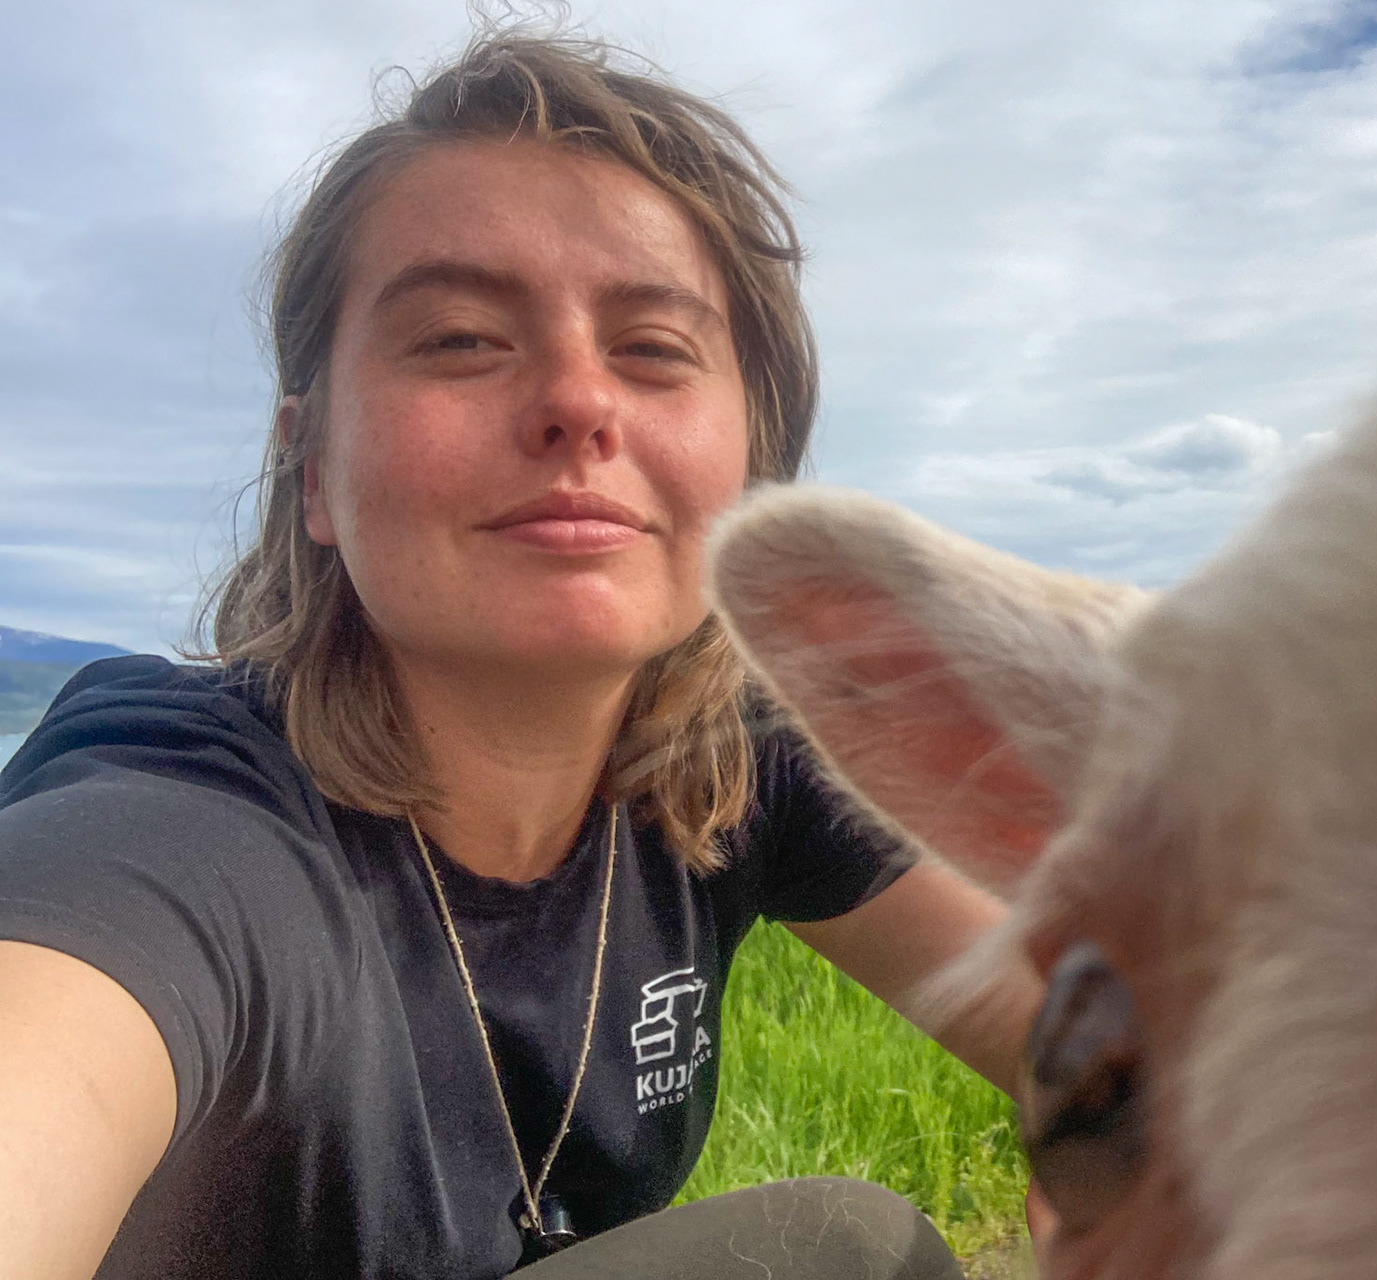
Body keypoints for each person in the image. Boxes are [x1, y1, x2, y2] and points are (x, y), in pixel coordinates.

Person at [0, 29, 1038, 1280]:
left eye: (654, 348)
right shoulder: (184, 821)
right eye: (459, 338)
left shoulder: (737, 764)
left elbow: (1141, 1057)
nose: (579, 400)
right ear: (311, 462)